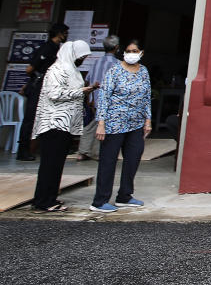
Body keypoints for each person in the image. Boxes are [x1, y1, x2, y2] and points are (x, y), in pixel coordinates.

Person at [31, 40, 98, 212]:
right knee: (49, 164)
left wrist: (86, 90)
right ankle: (42, 201)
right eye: (81, 56)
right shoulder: (58, 69)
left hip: (66, 125)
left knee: (57, 164)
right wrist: (81, 91)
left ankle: (51, 197)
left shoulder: (71, 70)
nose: (82, 59)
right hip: (54, 123)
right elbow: (54, 94)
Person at [90, 38, 153, 213]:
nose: (131, 54)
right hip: (114, 123)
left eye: (134, 51)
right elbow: (103, 97)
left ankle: (124, 196)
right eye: (128, 51)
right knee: (108, 162)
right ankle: (100, 200)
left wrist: (148, 121)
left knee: (133, 159)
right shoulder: (115, 71)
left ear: (141, 53)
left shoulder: (144, 71)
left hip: (136, 123)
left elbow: (147, 97)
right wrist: (101, 123)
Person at [18, 22, 69, 160]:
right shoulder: (47, 48)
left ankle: (36, 148)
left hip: (46, 88)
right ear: (59, 33)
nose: (66, 36)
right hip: (37, 88)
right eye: (65, 33)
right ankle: (23, 150)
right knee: (31, 119)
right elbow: (29, 69)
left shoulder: (57, 49)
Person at [77, 34, 120, 161]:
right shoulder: (118, 64)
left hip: (94, 99)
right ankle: (94, 152)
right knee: (101, 125)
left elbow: (88, 80)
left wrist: (90, 98)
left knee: (95, 123)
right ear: (116, 47)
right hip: (110, 100)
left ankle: (84, 151)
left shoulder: (96, 62)